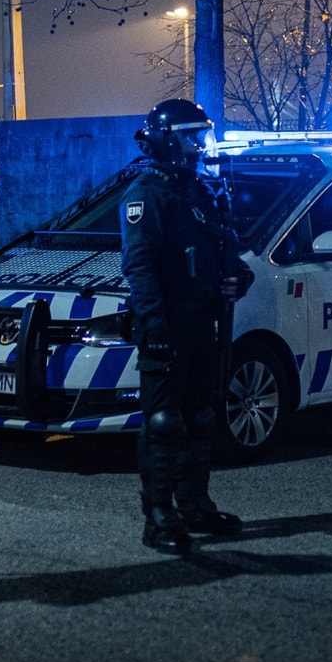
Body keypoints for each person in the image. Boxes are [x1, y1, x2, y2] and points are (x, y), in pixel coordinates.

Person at [120, 99, 254, 554]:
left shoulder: (200, 192)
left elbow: (225, 253)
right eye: (192, 137)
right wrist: (155, 325)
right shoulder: (146, 193)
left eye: (202, 136)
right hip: (168, 323)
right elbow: (139, 268)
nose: (200, 146)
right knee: (163, 422)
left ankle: (195, 504)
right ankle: (159, 517)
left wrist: (237, 277)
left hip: (202, 321)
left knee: (201, 416)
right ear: (169, 140)